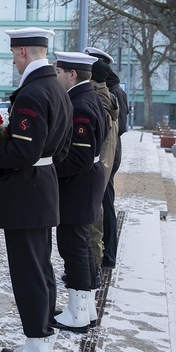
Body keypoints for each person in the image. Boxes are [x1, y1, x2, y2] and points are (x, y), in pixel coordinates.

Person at [0, 28, 72, 352]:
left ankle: (36, 344)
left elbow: (23, 152)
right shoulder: (57, 87)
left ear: (24, 52)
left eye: (14, 54)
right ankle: (42, 338)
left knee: (29, 271)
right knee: (40, 267)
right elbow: (61, 147)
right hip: (42, 186)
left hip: (26, 191)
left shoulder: (32, 92)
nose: (13, 60)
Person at [52, 52, 108, 333]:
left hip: (79, 183)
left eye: (59, 71)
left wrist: (49, 169)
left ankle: (77, 313)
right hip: (85, 182)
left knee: (73, 246)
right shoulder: (89, 97)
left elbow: (79, 158)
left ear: (71, 74)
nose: (56, 75)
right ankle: (86, 308)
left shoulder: (82, 104)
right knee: (82, 245)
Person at [84, 47, 128, 269]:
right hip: (109, 153)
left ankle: (105, 256)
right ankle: (104, 255)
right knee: (103, 202)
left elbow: (118, 128)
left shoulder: (112, 92)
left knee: (104, 203)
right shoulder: (111, 89)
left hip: (108, 154)